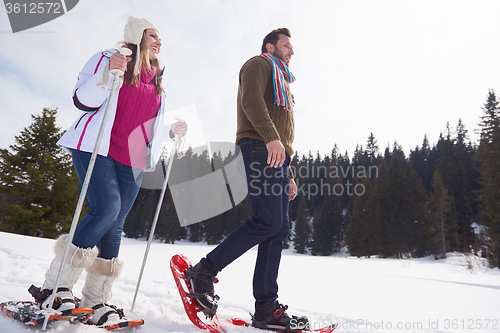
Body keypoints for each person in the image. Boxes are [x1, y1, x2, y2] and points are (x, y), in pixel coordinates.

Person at [30, 16, 187, 326]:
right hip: (97, 146)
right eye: (152, 35)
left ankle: (96, 300)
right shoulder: (109, 58)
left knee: (115, 224)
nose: (158, 42)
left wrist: (171, 131)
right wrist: (110, 73)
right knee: (106, 209)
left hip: (133, 158)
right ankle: (55, 287)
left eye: (160, 38)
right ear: (137, 36)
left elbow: (146, 122)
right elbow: (81, 99)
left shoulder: (156, 81)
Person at [186, 28, 308, 332]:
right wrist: (270, 140)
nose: (291, 51)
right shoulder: (259, 64)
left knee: (278, 229)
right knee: (267, 220)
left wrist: (288, 171)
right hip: (258, 145)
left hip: (276, 154)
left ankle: (266, 308)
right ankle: (203, 271)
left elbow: (283, 131)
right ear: (271, 46)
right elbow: (252, 101)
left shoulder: (282, 79)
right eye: (286, 46)